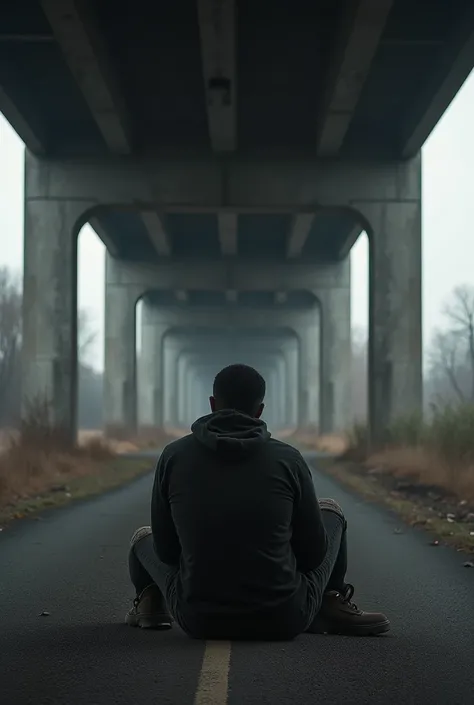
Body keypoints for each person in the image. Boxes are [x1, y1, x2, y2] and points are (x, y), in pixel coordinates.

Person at [126, 364, 390, 639]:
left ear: (213, 404)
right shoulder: (289, 459)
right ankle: (331, 602)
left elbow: (166, 553)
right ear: (260, 409)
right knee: (331, 510)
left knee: (142, 537)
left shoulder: (173, 456)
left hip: (200, 619)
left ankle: (150, 604)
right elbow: (313, 556)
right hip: (286, 617)